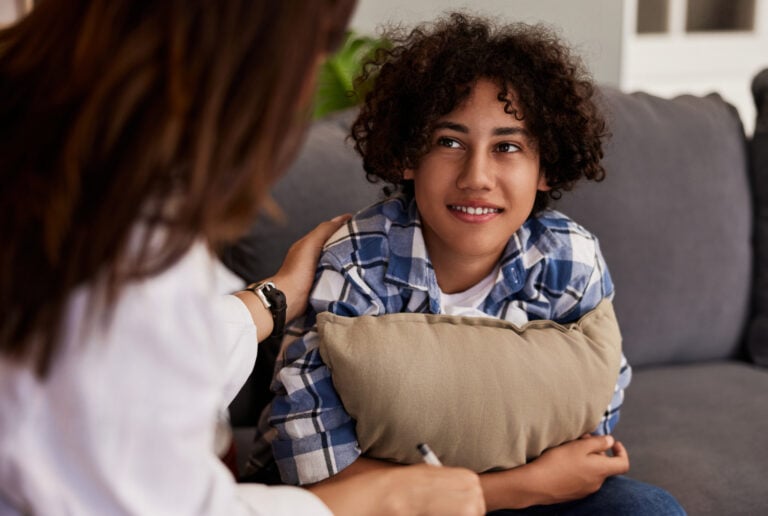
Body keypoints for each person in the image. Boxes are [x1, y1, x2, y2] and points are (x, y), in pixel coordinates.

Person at [0, 1, 487, 515]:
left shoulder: (54, 162)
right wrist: (372, 500)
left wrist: (274, 298)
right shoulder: (124, 247)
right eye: (316, 51)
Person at [253, 12, 686, 515]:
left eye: (507, 147)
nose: (477, 176)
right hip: (370, 502)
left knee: (648, 509)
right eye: (450, 142)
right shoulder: (354, 263)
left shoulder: (571, 260)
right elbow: (314, 468)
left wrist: (533, 484)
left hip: (529, 491)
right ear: (409, 155)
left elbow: (588, 421)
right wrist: (516, 488)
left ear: (544, 167)